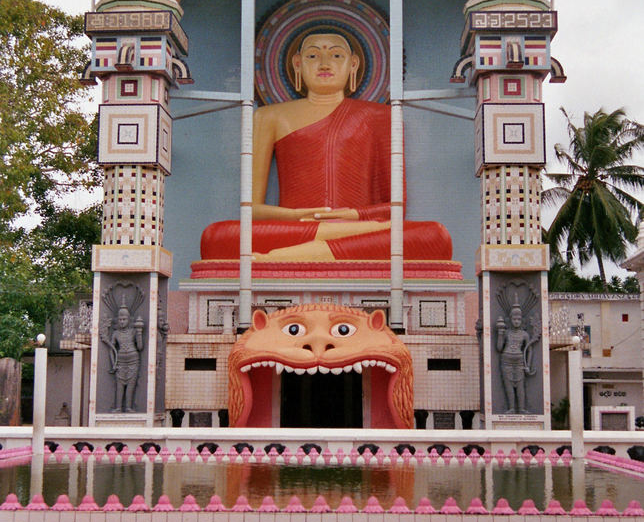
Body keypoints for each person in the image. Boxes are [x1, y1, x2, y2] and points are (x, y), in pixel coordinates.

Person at [200, 31, 452, 262]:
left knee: (434, 235)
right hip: (298, 228)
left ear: (353, 63)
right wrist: (300, 216)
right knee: (217, 236)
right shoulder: (269, 116)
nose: (324, 63)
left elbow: (396, 207)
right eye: (312, 55)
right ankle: (316, 250)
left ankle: (288, 256)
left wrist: (351, 216)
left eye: (335, 55)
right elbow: (250, 208)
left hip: (357, 226)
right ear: (297, 63)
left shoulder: (381, 116)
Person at [495, 303, 531, 414]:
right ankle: (511, 408)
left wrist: (528, 365)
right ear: (510, 319)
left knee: (520, 385)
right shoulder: (506, 333)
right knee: (508, 385)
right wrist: (500, 334)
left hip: (519, 361)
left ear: (521, 320)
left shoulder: (525, 334)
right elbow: (499, 348)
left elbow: (529, 350)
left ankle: (521, 408)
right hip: (506, 360)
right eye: (514, 319)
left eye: (519, 319)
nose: (516, 321)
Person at [108, 306, 144, 413]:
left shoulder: (133, 332)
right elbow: (111, 349)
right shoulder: (115, 333)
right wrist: (113, 363)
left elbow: (140, 347)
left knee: (131, 385)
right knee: (119, 385)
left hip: (133, 360)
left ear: (129, 320)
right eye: (120, 319)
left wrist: (139, 333)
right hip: (120, 361)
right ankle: (118, 407)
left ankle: (128, 407)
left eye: (124, 319)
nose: (122, 322)